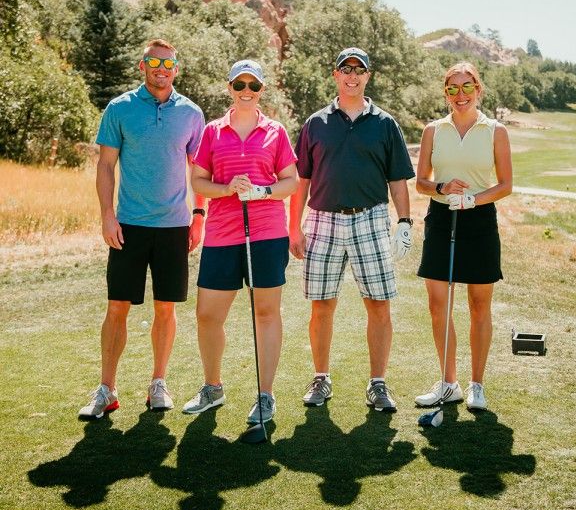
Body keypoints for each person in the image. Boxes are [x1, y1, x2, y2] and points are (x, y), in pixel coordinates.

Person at [79, 39, 206, 419]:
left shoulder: (191, 113)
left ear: (176, 69)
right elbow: (105, 166)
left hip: (174, 227)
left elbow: (199, 170)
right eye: (154, 61)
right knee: (117, 306)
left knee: (166, 308)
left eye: (168, 63)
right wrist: (106, 215)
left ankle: (158, 384)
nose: (161, 68)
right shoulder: (119, 108)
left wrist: (199, 215)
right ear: (142, 65)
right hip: (128, 226)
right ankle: (106, 389)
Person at [289, 47, 415, 414]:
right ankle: (321, 377)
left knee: (378, 305)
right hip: (323, 220)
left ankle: (378, 384)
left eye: (359, 70)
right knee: (322, 305)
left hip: (371, 219)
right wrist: (293, 228)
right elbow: (302, 180)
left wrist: (404, 223)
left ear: (368, 76)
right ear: (335, 74)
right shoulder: (316, 123)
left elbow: (398, 180)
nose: (352, 75)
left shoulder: (385, 123)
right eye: (346, 69)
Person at [182, 60, 297, 425]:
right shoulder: (213, 132)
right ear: (230, 87)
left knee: (265, 313)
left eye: (253, 84)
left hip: (266, 234)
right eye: (239, 84)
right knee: (208, 315)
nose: (246, 90)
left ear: (262, 89)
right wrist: (225, 189)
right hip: (221, 234)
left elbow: (290, 181)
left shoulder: (275, 132)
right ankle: (213, 387)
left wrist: (262, 191)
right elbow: (198, 181)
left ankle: (265, 395)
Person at [414, 61, 512, 414]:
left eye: (466, 87)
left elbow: (506, 185)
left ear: (478, 89)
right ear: (445, 94)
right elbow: (421, 181)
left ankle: (477, 385)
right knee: (438, 304)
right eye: (452, 89)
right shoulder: (433, 130)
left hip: (480, 220)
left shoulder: (495, 130)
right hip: (441, 218)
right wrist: (441, 187)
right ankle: (448, 382)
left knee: (478, 305)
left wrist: (473, 198)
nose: (460, 95)